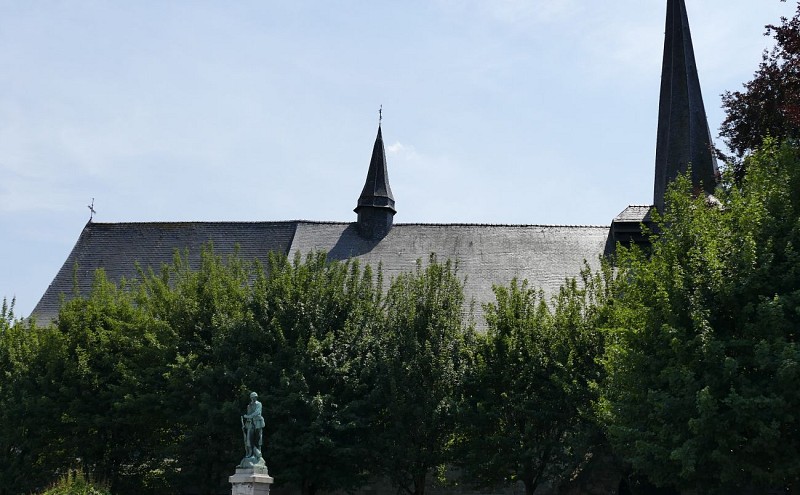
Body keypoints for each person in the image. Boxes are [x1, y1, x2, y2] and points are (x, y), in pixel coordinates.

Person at [242, 391, 265, 459]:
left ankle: (258, 454)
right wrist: (245, 424)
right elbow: (249, 414)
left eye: (254, 397)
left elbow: (257, 412)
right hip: (250, 423)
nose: (253, 398)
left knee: (258, 438)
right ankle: (250, 453)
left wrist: (248, 416)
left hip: (258, 422)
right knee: (249, 438)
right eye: (252, 397)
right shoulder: (249, 406)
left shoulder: (259, 404)